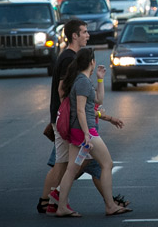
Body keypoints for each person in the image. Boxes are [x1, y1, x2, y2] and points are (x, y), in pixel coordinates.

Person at [40, 20, 127, 215]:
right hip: (79, 127)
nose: (88, 35)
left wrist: (100, 81)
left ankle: (57, 202)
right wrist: (82, 129)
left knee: (72, 165)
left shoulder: (81, 76)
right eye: (85, 32)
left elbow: (94, 101)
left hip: (76, 126)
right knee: (80, 164)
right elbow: (70, 99)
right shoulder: (73, 67)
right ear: (74, 36)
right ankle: (52, 200)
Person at [54, 48, 129, 217]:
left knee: (72, 170)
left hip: (79, 130)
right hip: (84, 130)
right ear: (91, 62)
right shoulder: (82, 82)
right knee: (107, 164)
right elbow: (80, 110)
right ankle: (110, 205)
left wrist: (100, 79)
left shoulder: (84, 80)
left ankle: (62, 206)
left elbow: (98, 100)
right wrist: (87, 134)